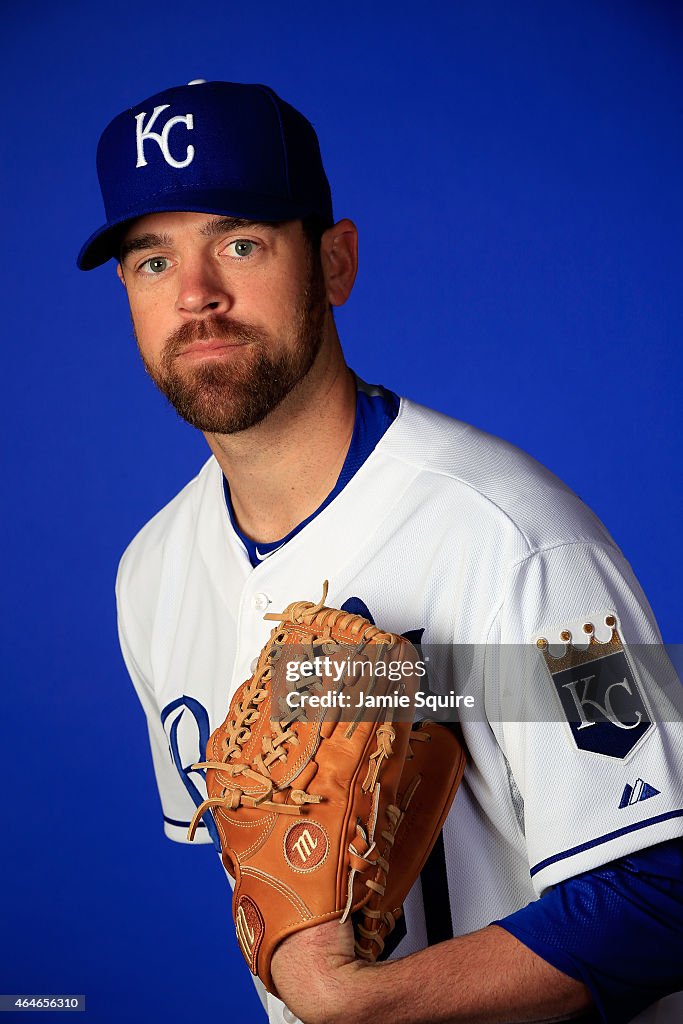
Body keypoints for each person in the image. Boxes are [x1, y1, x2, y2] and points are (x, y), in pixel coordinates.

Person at [78, 80, 683, 1024]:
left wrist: (368, 1003)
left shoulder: (520, 538)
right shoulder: (150, 575)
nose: (197, 295)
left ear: (334, 262)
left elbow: (666, 889)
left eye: (240, 243)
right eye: (151, 260)